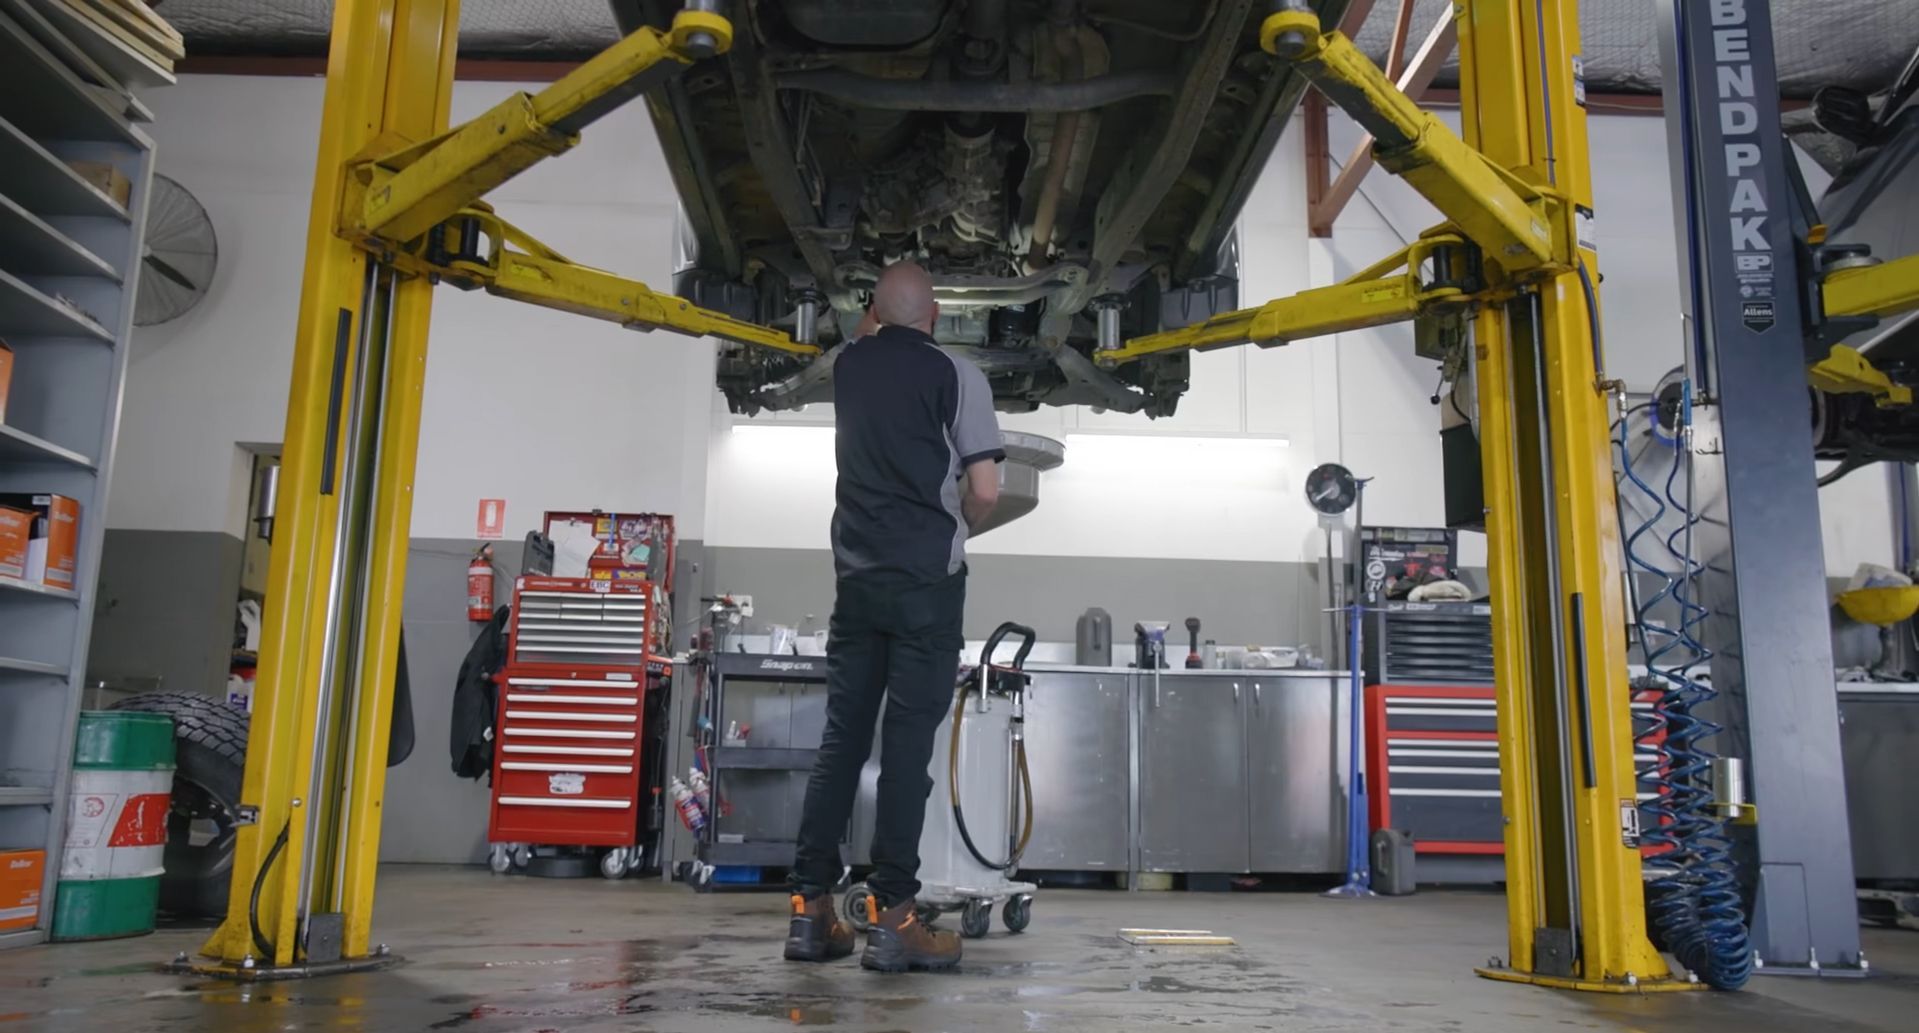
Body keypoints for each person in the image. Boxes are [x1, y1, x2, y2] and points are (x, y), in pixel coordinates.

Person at [783, 261, 1003, 973]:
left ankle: (810, 913)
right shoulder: (958, 375)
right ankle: (894, 919)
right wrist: (960, 526)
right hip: (925, 586)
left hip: (857, 582)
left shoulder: (849, 365)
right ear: (934, 314)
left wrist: (873, 312)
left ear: (873, 310)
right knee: (906, 749)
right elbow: (987, 488)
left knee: (841, 740)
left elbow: (865, 333)